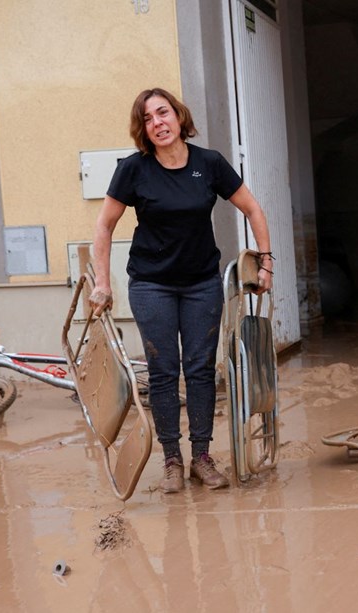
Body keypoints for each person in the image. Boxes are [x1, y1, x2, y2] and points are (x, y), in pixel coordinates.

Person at [88, 88, 274, 493]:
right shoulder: (134, 169)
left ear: (178, 116)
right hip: (151, 284)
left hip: (201, 284)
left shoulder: (209, 163)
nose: (158, 122)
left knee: (201, 370)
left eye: (163, 112)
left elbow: (253, 209)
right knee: (163, 371)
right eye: (149, 118)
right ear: (143, 129)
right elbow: (104, 225)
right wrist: (103, 282)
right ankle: (172, 459)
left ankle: (202, 458)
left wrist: (266, 261)